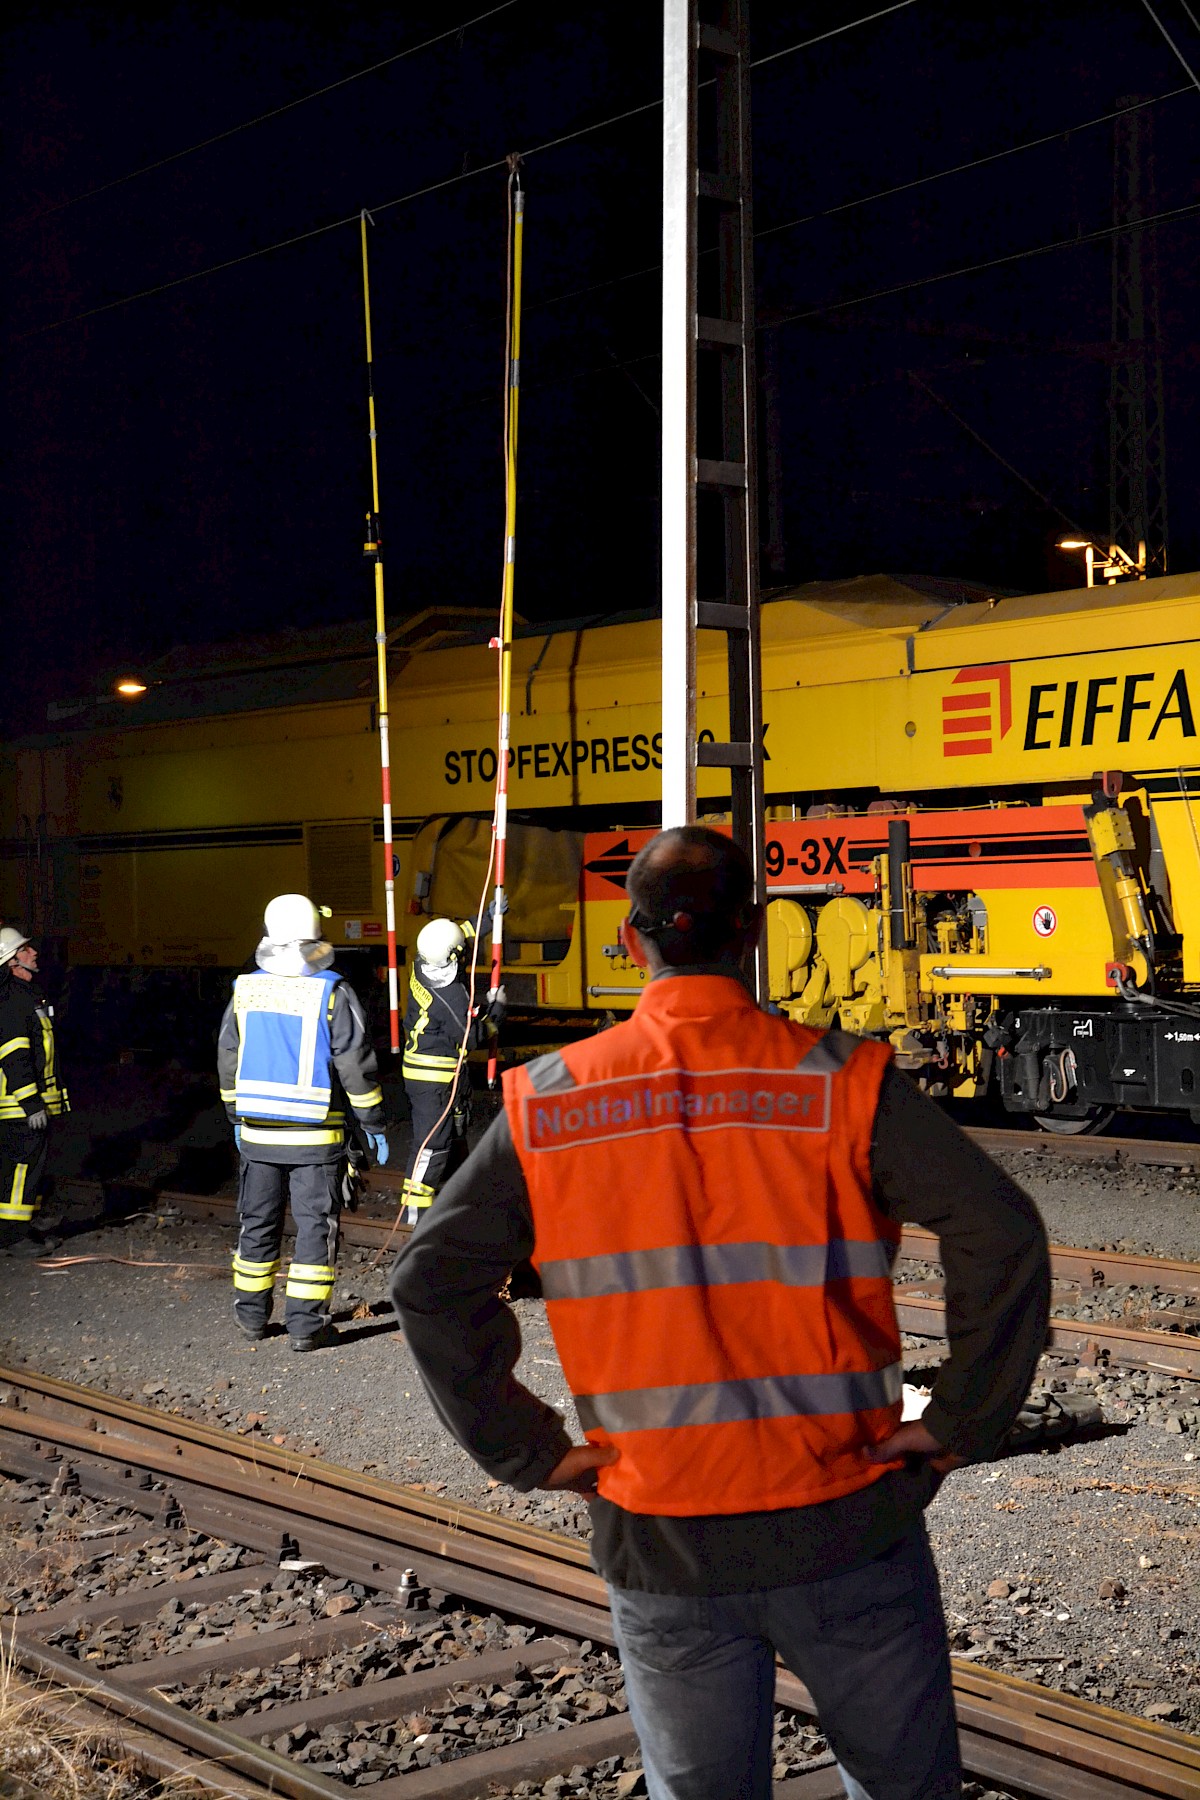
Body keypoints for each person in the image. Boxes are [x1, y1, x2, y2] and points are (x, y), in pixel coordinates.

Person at [391, 825, 1051, 1800]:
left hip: (661, 1535)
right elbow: (1001, 1233)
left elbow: (428, 1282)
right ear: (753, 934)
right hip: (847, 1520)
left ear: (630, 940)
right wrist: (959, 1421)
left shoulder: (548, 1102)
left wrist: (527, 1449)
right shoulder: (844, 1082)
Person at [217, 893, 389, 1351]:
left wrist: (236, 1114)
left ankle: (252, 1317)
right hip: (315, 1136)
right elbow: (354, 1065)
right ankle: (307, 1327)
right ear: (315, 936)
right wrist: (372, 1122)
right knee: (315, 1228)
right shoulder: (331, 991)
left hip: (256, 1135)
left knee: (256, 1223)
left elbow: (228, 1057)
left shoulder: (245, 989)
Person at [399, 916, 504, 1226]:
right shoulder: (452, 995)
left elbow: (456, 937)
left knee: (456, 1131)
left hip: (438, 1073)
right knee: (434, 1142)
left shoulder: (423, 965)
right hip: (436, 1078)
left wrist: (488, 919)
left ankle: (458, 1195)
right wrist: (495, 1015)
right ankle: (416, 1212)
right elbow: (471, 1037)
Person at [0, 927, 68, 1254]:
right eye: (25, 949)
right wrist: (30, 1103)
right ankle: (13, 1237)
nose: (34, 953)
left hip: (25, 1105)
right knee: (20, 1170)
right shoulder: (14, 999)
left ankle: (23, 1223)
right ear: (12, 961)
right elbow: (15, 1057)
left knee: (30, 1169)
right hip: (18, 1107)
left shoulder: (27, 995)